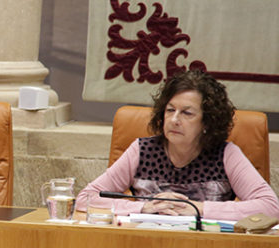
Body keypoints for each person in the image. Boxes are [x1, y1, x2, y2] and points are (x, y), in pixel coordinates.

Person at [77, 69, 279, 221]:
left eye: (187, 113)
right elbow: (86, 198)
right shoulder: (142, 151)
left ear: (207, 122)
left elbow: (271, 207)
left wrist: (199, 208)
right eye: (170, 110)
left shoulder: (226, 154)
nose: (174, 119)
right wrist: (143, 208)